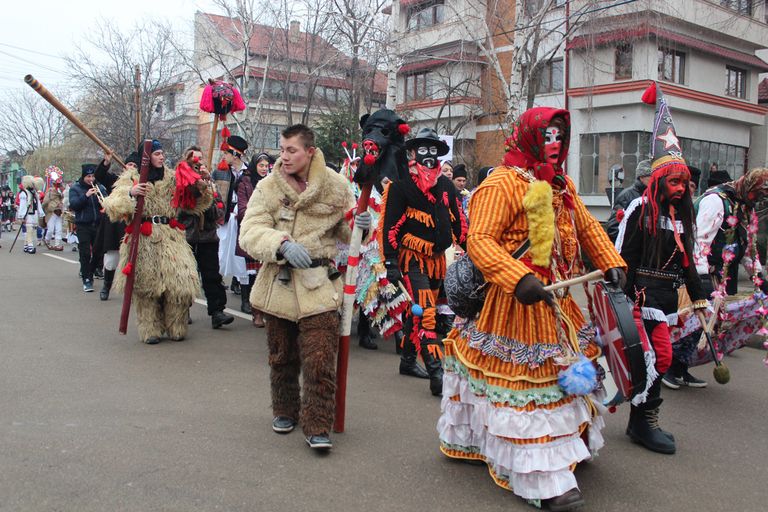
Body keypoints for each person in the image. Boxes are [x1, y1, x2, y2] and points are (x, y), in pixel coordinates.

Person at [436, 107, 625, 511]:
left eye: (561, 136)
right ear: (530, 137)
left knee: (564, 378)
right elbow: (480, 241)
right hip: (514, 304)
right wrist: (517, 278)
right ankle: (543, 477)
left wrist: (611, 262)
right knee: (528, 388)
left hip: (557, 302)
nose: (555, 145)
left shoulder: (562, 185)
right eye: (548, 136)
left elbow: (588, 227)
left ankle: (563, 452)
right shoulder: (501, 184)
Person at [238, 124, 364, 450]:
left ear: (309, 151)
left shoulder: (337, 186)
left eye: (291, 150)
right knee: (281, 355)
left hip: (318, 283)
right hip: (278, 282)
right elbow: (249, 230)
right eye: (282, 149)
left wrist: (364, 224)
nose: (284, 156)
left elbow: (349, 234)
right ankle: (284, 409)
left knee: (320, 358)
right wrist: (279, 244)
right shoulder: (267, 186)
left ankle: (317, 424)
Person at [615, 82, 708, 455]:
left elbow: (687, 264)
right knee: (648, 360)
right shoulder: (639, 210)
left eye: (685, 182)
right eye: (675, 181)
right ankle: (641, 423)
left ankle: (643, 421)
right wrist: (621, 300)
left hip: (665, 301)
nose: (682, 188)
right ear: (658, 181)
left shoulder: (685, 218)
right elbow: (623, 258)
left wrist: (699, 299)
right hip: (639, 298)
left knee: (664, 358)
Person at [379, 128, 467, 397]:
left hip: (438, 260)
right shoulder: (401, 185)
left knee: (415, 310)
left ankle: (407, 361)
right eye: (423, 150)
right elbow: (390, 226)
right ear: (413, 153)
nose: (428, 156)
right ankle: (436, 373)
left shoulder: (446, 186)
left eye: (433, 151)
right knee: (426, 313)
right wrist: (391, 262)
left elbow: (458, 221)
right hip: (413, 259)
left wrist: (473, 247)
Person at [664, 167, 768, 389]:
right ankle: (668, 367)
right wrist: (699, 279)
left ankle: (682, 367)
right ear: (749, 186)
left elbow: (748, 249)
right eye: (758, 194)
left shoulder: (745, 209)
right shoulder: (716, 201)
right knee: (690, 325)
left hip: (721, 278)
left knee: (708, 328)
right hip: (700, 275)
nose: (759, 199)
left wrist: (759, 279)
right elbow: (699, 241)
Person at [103, 140, 213, 344]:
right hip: (143, 238)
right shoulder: (132, 179)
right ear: (147, 157)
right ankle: (150, 329)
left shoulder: (173, 177)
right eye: (157, 153)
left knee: (180, 283)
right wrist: (131, 194)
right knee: (146, 287)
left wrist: (201, 187)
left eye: (163, 153)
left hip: (171, 236)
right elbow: (111, 206)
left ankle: (176, 326)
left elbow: (192, 204)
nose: (162, 157)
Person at [177, 146, 234, 329]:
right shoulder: (180, 182)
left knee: (211, 276)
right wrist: (194, 194)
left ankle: (217, 311)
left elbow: (220, 211)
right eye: (194, 158)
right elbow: (178, 210)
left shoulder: (210, 184)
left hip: (208, 237)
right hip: (187, 237)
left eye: (201, 158)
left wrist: (207, 197)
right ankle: (181, 311)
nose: (198, 162)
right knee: (185, 277)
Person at [236, 152, 273, 325]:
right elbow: (242, 209)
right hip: (253, 231)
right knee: (253, 276)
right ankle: (255, 312)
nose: (264, 169)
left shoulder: (272, 183)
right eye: (261, 165)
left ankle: (268, 310)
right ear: (254, 166)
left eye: (266, 166)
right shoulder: (245, 182)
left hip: (270, 232)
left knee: (268, 274)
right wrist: (260, 214)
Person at [214, 134, 249, 296]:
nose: (224, 156)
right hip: (225, 218)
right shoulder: (219, 172)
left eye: (227, 153)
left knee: (241, 254)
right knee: (221, 251)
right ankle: (217, 283)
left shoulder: (249, 172)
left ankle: (242, 287)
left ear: (235, 155)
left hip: (243, 218)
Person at [604, 159, 652, 241]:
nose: (655, 180)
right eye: (651, 177)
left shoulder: (656, 196)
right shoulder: (627, 196)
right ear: (642, 177)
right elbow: (613, 228)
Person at [16, 175, 44, 255]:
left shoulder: (33, 192)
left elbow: (38, 203)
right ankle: (30, 246)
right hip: (27, 214)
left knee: (30, 230)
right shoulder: (23, 193)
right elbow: (22, 206)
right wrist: (21, 216)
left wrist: (40, 213)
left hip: (32, 213)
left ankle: (26, 246)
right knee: (29, 230)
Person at [42, 167, 65, 251]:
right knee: (50, 229)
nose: (58, 185)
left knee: (59, 229)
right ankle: (47, 240)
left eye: (59, 184)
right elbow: (45, 202)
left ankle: (57, 244)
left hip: (59, 212)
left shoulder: (61, 192)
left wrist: (62, 204)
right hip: (51, 212)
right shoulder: (50, 191)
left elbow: (63, 199)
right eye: (57, 184)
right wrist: (43, 211)